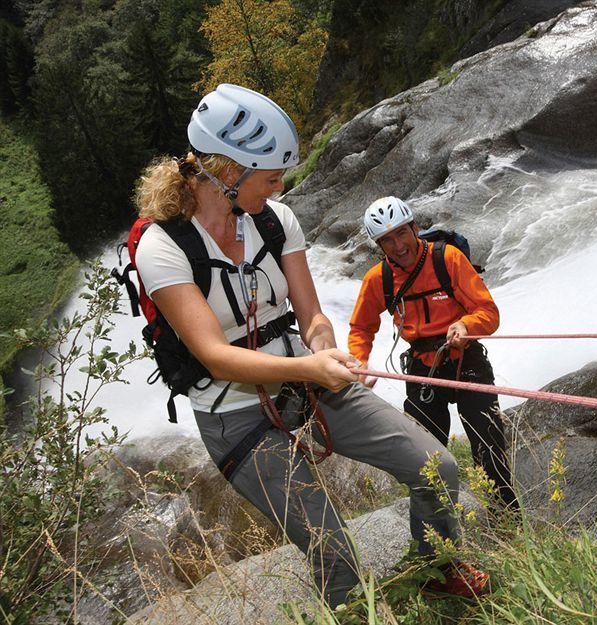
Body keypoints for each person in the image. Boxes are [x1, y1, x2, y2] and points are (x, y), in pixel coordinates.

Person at [133, 84, 486, 608]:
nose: (278, 188)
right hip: (236, 414)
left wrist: (328, 350)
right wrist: (313, 366)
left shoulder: (275, 221)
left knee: (438, 469)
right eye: (270, 177)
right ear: (228, 171)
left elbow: (312, 314)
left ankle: (436, 569)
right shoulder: (163, 247)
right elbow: (213, 354)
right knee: (333, 553)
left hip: (308, 383)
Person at [348, 197, 519, 517]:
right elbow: (361, 328)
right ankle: (439, 536)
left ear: (415, 228)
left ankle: (506, 527)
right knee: (424, 460)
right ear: (379, 245)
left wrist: (466, 324)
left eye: (401, 233)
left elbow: (488, 313)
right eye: (387, 240)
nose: (398, 245)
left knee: (489, 450)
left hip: (466, 361)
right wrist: (359, 361)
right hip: (422, 369)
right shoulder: (378, 279)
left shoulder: (447, 259)